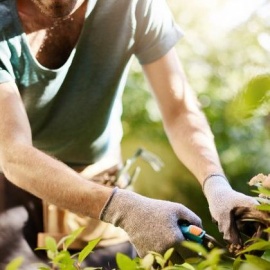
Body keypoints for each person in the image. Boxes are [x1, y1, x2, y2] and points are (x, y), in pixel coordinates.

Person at [0, 0, 258, 269]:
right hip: (12, 193)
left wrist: (216, 184)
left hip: (103, 184)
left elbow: (179, 109)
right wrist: (124, 209)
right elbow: (14, 154)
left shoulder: (133, 4)